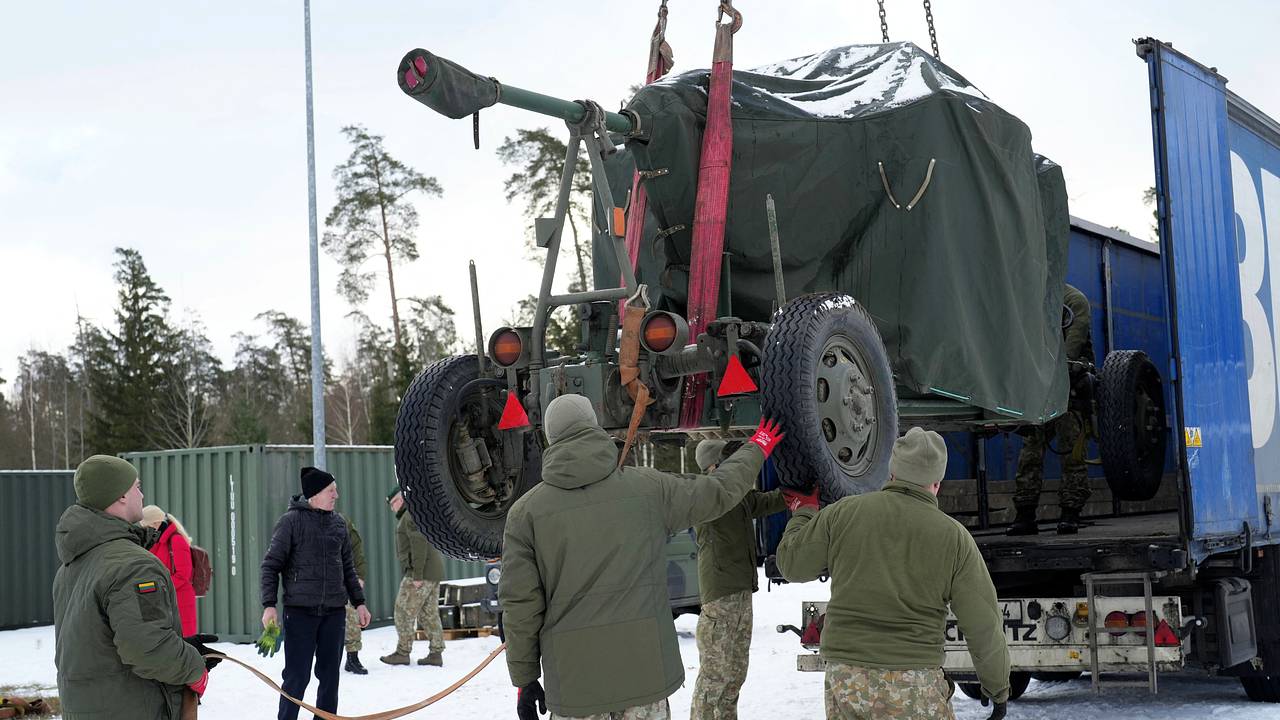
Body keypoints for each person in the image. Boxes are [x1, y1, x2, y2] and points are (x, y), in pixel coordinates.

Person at [500, 394, 784, 720]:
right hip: (647, 681)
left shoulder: (525, 515)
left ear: (550, 438)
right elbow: (718, 491)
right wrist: (758, 445)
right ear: (594, 426)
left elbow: (520, 607)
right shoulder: (649, 489)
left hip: (575, 689)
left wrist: (524, 680)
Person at [777, 428, 1010, 720]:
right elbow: (983, 625)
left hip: (847, 679)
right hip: (913, 681)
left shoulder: (843, 513)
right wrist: (997, 689)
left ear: (892, 473)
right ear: (936, 483)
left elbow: (792, 565)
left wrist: (804, 513)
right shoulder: (954, 538)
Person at [53, 455, 214, 719]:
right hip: (131, 708)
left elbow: (102, 640)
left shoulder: (73, 564)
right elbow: (148, 649)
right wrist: (196, 669)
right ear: (120, 496)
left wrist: (181, 647)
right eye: (137, 487)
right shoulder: (134, 565)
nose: (142, 495)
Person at [260, 466, 371, 720]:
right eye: (331, 490)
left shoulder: (339, 524)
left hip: (334, 613)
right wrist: (269, 605)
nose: (336, 495)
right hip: (300, 614)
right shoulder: (290, 522)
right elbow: (270, 566)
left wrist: (360, 603)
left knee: (330, 678)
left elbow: (348, 569)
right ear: (315, 494)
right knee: (297, 677)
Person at [689, 440, 787, 720]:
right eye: (728, 460)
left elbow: (765, 502)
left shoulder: (736, 492)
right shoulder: (706, 492)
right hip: (721, 596)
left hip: (741, 592)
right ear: (713, 466)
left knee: (734, 674)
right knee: (715, 677)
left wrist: (797, 493)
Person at [1009, 283, 1096, 535]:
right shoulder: (1030, 301)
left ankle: (1070, 512)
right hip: (1040, 386)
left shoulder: (1074, 301)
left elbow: (1073, 348)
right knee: (1030, 451)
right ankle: (1025, 513)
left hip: (1069, 386)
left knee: (1072, 450)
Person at [380, 487, 446, 667]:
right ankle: (436, 653)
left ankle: (402, 652)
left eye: (393, 503)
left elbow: (419, 545)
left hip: (420, 573)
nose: (392, 507)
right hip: (431, 572)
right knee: (428, 614)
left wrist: (417, 575)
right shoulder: (414, 514)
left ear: (400, 500)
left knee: (402, 611)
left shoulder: (409, 516)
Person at [140, 504, 198, 636]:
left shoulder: (176, 540)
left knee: (182, 641)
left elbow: (183, 575)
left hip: (180, 601)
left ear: (156, 523)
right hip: (165, 599)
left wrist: (158, 587)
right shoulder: (157, 542)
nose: (145, 530)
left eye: (146, 526)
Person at [340, 511, 369, 675]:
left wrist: (360, 576)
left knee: (351, 616)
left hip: (346, 576)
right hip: (320, 581)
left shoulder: (343, 522)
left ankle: (353, 658)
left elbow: (357, 549)